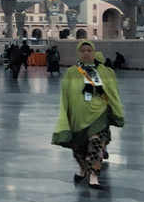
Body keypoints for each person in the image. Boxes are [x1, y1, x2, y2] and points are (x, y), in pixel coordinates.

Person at [53, 40, 124, 188]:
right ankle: (83, 168)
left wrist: (117, 111)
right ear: (79, 53)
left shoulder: (105, 71)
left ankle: (93, 175)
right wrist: (64, 116)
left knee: (96, 143)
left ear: (93, 52)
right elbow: (65, 96)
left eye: (89, 50)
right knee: (78, 147)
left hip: (99, 114)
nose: (86, 53)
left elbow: (113, 93)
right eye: (83, 50)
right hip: (77, 117)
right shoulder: (72, 72)